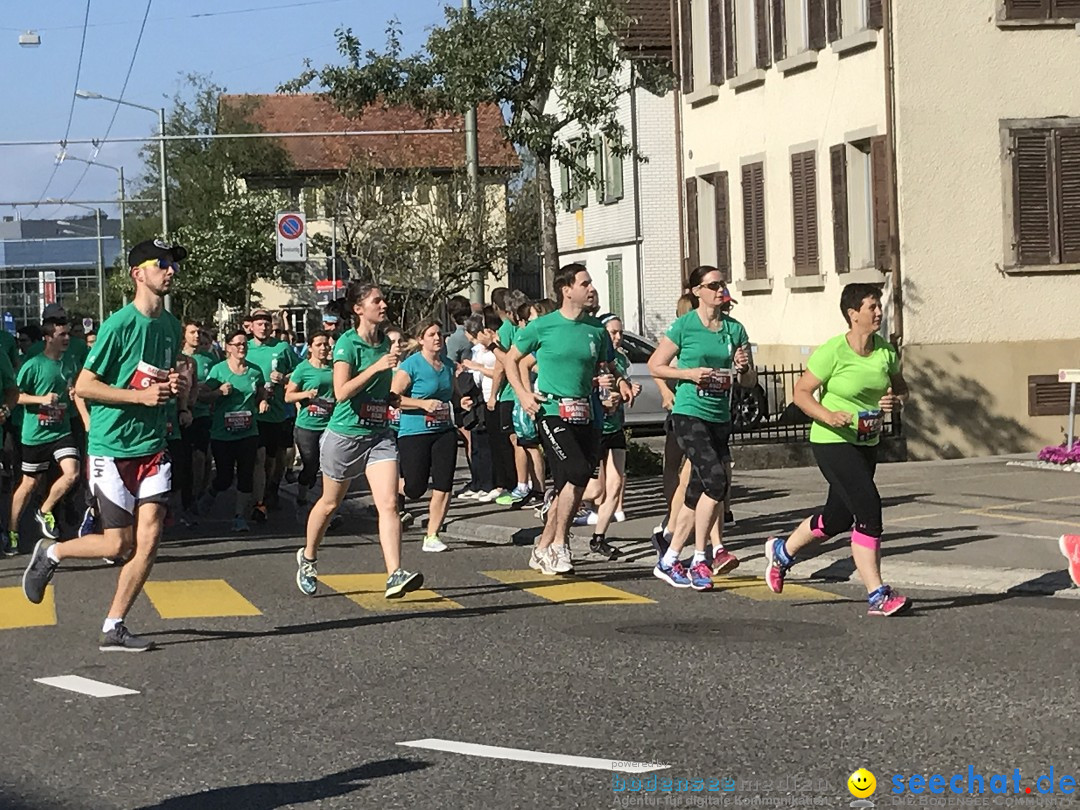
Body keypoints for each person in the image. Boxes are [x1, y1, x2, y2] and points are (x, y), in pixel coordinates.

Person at [20, 238, 187, 652]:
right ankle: (52, 552)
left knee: (148, 540)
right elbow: (85, 386)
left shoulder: (170, 325)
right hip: (111, 447)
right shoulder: (119, 325)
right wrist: (140, 397)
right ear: (138, 273)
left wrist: (175, 386)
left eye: (173, 264)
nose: (170, 270)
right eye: (161, 263)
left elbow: (155, 379)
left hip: (152, 446)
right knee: (117, 543)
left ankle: (115, 624)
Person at [764, 283, 912, 617]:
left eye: (879, 306)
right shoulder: (833, 351)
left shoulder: (885, 352)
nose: (878, 312)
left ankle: (782, 553)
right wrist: (828, 415)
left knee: (837, 518)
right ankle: (877, 593)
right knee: (869, 508)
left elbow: (902, 391)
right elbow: (800, 393)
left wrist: (895, 401)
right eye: (872, 307)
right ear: (852, 314)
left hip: (866, 443)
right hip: (831, 440)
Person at [294, 282, 422, 599]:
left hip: (378, 435)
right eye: (377, 300)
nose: (384, 305)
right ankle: (308, 557)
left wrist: (390, 397)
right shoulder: (347, 345)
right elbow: (341, 392)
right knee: (329, 503)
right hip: (345, 435)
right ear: (358, 309)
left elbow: (383, 389)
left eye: (384, 300)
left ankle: (394, 574)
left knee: (390, 504)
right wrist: (377, 367)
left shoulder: (386, 344)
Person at [503, 263, 631, 576]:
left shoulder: (596, 330)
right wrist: (523, 394)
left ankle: (543, 547)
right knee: (575, 473)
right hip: (552, 411)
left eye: (592, 284)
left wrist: (622, 383)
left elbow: (607, 367)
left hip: (586, 414)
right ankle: (560, 544)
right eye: (585, 283)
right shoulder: (543, 326)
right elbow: (511, 359)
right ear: (566, 290)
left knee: (568, 485)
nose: (592, 289)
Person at [647, 266, 756, 591]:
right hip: (689, 413)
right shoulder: (685, 326)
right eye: (712, 285)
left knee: (698, 491)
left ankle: (669, 559)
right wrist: (690, 375)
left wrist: (743, 368)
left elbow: (748, 381)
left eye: (722, 284)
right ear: (697, 291)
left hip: (718, 415)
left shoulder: (734, 330)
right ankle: (700, 559)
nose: (719, 289)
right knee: (716, 481)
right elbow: (656, 364)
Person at [391, 320, 465, 553]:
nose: (437, 338)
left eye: (440, 334)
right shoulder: (410, 366)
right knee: (415, 488)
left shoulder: (448, 365)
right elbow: (393, 399)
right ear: (421, 339)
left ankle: (432, 535)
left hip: (444, 431)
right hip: (414, 432)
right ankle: (389, 486)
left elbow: (453, 394)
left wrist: (462, 401)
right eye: (431, 334)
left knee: (444, 484)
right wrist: (422, 404)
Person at [8, 319, 81, 552]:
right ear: (48, 338)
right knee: (30, 483)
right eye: (61, 335)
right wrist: (41, 399)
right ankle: (12, 531)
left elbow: (75, 388)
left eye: (68, 334)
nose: (67, 339)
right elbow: (15, 396)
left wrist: (73, 394)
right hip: (35, 434)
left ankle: (45, 509)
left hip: (61, 431)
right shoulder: (34, 364)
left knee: (73, 472)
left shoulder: (70, 362)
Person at [198, 330, 269, 532]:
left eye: (244, 344)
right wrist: (218, 392)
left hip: (248, 431)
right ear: (228, 347)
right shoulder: (219, 370)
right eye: (237, 344)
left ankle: (239, 517)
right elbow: (202, 396)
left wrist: (263, 400)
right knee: (224, 477)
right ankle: (212, 492)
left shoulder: (255, 371)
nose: (241, 347)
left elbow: (261, 392)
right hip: (222, 432)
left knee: (246, 474)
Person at [587, 314, 641, 560]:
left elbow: (623, 387)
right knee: (595, 490)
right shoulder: (592, 358)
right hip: (595, 426)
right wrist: (602, 398)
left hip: (615, 425)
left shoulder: (620, 360)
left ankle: (599, 538)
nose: (618, 338)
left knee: (616, 484)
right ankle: (554, 499)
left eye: (620, 332)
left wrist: (628, 392)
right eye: (613, 333)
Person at [246, 309, 298, 519]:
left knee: (277, 456)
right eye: (259, 323)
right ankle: (259, 497)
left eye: (267, 323)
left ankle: (273, 489)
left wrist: (286, 378)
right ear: (252, 326)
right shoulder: (244, 347)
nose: (263, 327)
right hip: (253, 411)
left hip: (278, 411)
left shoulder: (282, 347)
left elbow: (300, 370)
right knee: (260, 458)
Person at [285, 331, 335, 507]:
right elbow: (288, 396)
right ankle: (303, 493)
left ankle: (328, 501)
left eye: (326, 345)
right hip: (307, 425)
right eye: (319, 344)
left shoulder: (334, 368)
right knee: (311, 464)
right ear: (310, 347)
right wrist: (306, 394)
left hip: (330, 424)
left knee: (331, 464)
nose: (323, 348)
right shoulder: (303, 369)